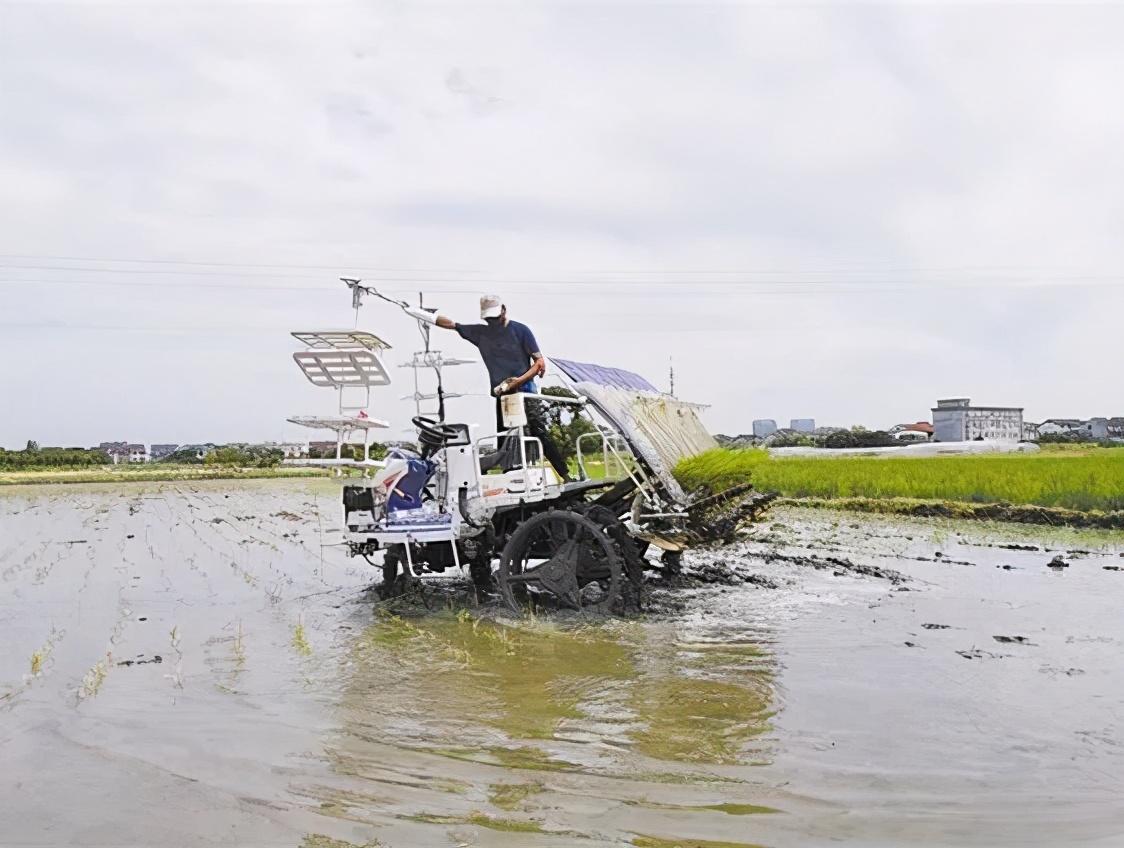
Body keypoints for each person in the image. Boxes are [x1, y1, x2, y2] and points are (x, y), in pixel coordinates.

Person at [404, 295, 571, 481]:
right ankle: (510, 477)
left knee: (539, 432)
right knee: (504, 437)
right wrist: (420, 314)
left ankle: (565, 474)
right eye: (489, 319)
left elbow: (539, 363)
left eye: (495, 317)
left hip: (525, 393)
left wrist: (518, 381)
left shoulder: (520, 330)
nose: (493, 322)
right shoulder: (480, 333)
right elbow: (451, 324)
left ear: (504, 311)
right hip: (502, 395)